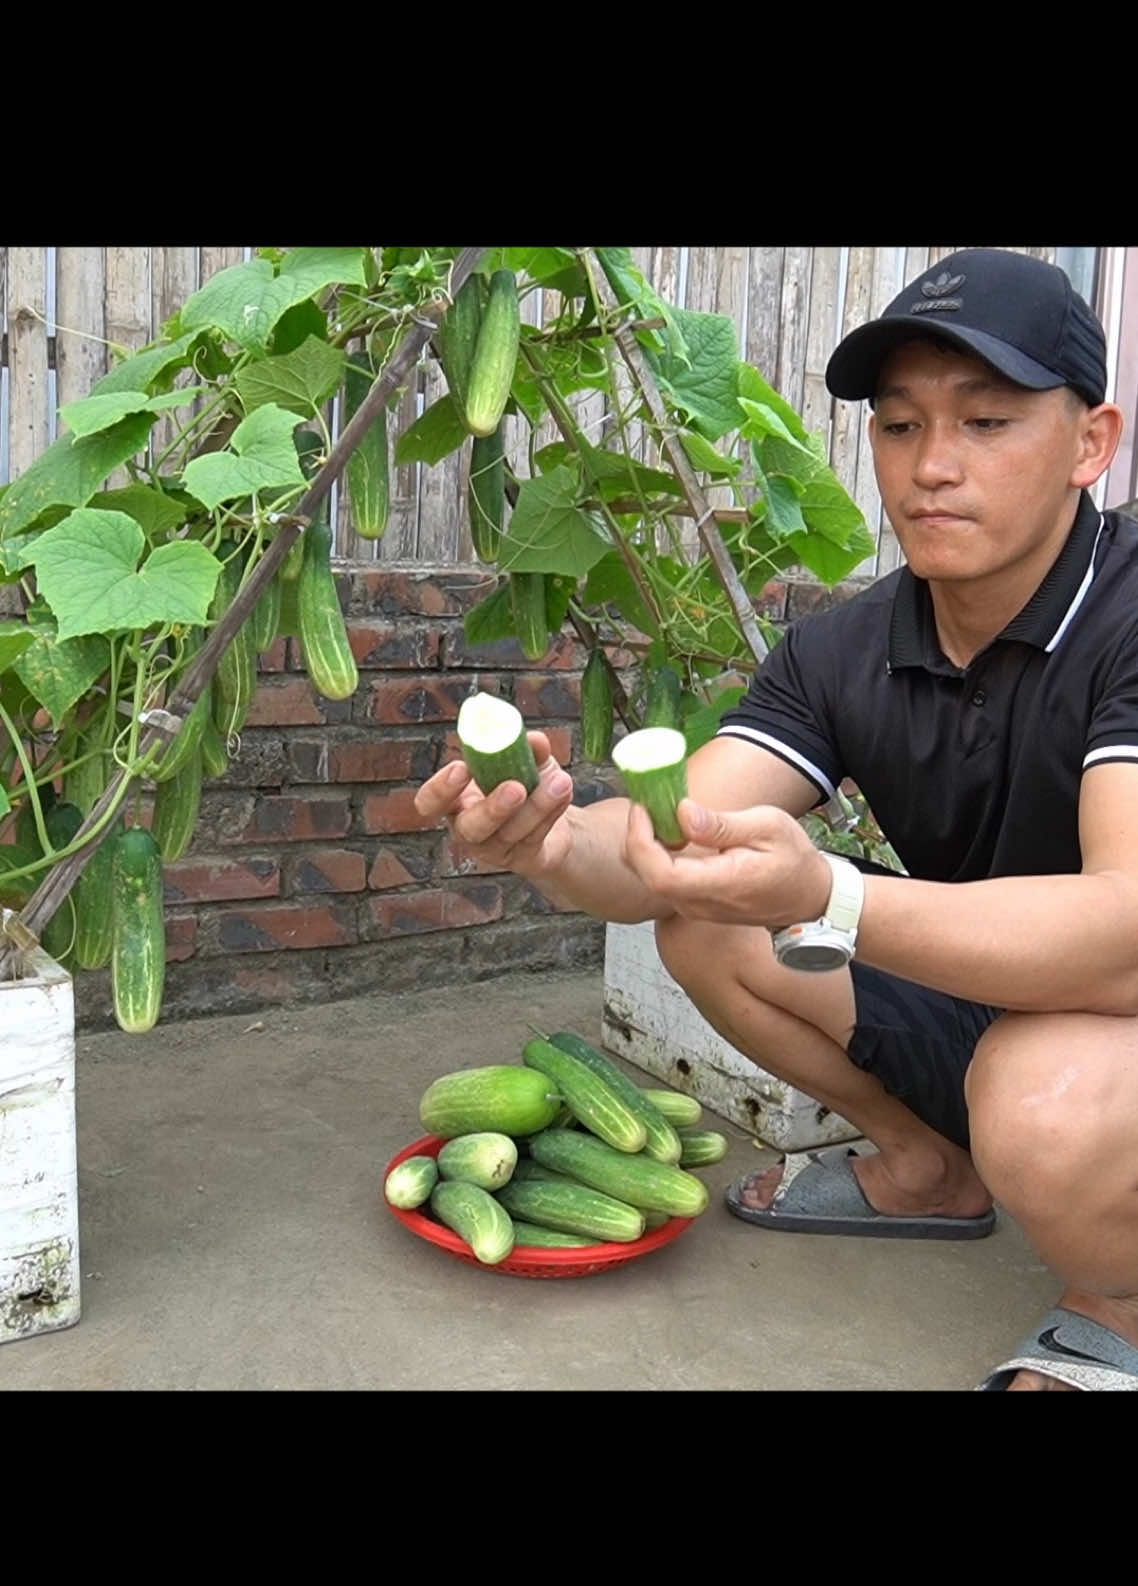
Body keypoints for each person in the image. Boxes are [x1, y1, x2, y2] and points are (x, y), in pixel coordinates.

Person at [414, 247, 1138, 1392]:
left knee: (1039, 1102)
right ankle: (926, 1169)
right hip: (1004, 991)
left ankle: (1116, 1304)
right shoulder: (844, 650)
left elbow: (1123, 929)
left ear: (1089, 443)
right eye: (898, 428)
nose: (932, 468)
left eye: (986, 423)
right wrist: (554, 841)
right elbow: (669, 839)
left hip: (1110, 1010)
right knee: (704, 926)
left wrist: (829, 897)